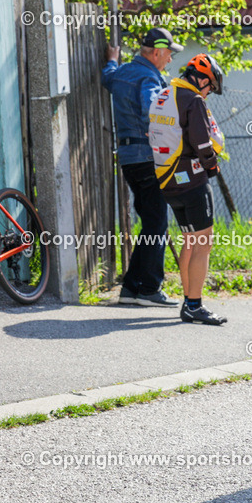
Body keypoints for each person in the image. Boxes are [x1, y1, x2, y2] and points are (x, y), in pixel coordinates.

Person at [101, 28, 183, 307]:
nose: (170, 59)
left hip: (128, 158)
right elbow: (154, 111)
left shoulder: (122, 72)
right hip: (149, 159)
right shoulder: (149, 77)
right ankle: (149, 289)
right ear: (157, 51)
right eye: (169, 53)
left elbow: (107, 78)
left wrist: (112, 59)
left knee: (151, 222)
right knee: (157, 222)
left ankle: (131, 288)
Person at [148, 54, 228, 325]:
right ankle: (194, 306)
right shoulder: (193, 100)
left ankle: (188, 302)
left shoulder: (165, 94)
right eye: (211, 87)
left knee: (191, 241)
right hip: (191, 180)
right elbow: (202, 142)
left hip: (167, 179)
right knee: (203, 243)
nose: (210, 93)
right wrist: (212, 167)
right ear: (203, 79)